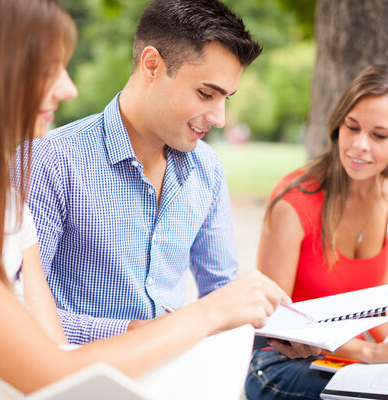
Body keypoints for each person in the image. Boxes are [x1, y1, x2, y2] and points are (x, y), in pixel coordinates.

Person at [0, 0, 302, 398]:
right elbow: (52, 369)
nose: (69, 87)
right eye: (47, 69)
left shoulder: (0, 202)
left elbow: (56, 362)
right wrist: (204, 315)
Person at [24, 0, 264, 343]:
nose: (218, 118)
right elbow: (18, 309)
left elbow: (220, 293)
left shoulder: (207, 168)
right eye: (206, 93)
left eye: (224, 98)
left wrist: (270, 331)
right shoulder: (52, 160)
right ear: (152, 65)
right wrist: (131, 333)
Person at [244, 64, 388, 400]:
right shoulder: (295, 201)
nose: (359, 146)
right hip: (278, 363)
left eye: (379, 135)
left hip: (345, 362)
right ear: (338, 125)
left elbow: (382, 310)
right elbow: (276, 322)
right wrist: (373, 354)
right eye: (351, 127)